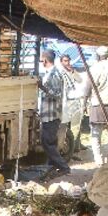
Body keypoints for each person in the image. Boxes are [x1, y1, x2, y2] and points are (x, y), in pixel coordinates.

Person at [37, 49, 71, 178]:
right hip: (48, 114)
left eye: (41, 59)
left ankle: (63, 166)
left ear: (45, 60)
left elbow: (56, 94)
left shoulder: (54, 74)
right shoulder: (49, 73)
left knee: (47, 142)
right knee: (49, 142)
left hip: (52, 115)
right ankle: (50, 167)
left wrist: (42, 87)